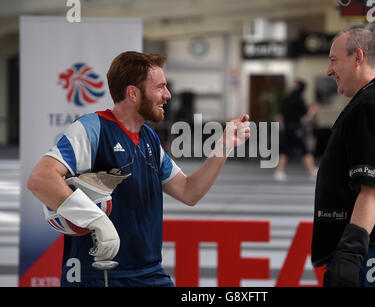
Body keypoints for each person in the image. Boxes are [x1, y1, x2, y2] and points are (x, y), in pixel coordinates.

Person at [26, 51, 250, 287]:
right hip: (98, 275)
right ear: (133, 93)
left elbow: (188, 192)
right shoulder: (92, 128)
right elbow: (41, 179)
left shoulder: (149, 138)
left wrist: (223, 146)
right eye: (160, 87)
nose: (168, 95)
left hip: (149, 272)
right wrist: (97, 220)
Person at [311, 28, 375, 287]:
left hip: (371, 248)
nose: (328, 70)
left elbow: (372, 190)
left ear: (357, 57)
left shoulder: (372, 106)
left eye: (334, 60)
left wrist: (350, 253)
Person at [274, 80, 319, 181]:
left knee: (285, 150)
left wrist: (281, 127)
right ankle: (312, 170)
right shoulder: (299, 100)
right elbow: (305, 117)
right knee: (304, 149)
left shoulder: (285, 99)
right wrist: (313, 111)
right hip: (296, 128)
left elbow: (279, 116)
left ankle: (279, 171)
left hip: (286, 128)